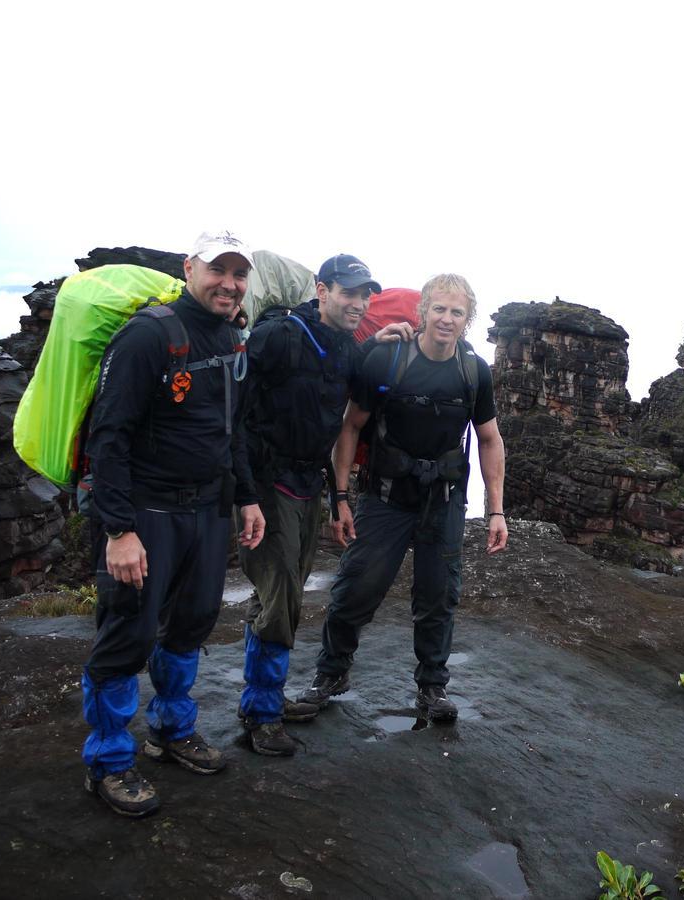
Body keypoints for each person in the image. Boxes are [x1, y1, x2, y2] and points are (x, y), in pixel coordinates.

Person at [81, 230, 266, 817]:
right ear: (190, 269)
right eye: (218, 270)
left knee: (191, 623)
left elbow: (232, 429)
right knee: (128, 635)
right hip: (146, 512)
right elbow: (107, 436)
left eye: (239, 274)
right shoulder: (148, 335)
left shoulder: (232, 337)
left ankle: (170, 729)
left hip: (207, 511)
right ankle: (108, 761)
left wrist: (247, 498)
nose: (229, 284)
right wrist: (118, 531)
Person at [300, 273, 507, 721]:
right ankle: (331, 673)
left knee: (438, 596)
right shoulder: (388, 359)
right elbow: (351, 426)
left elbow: (489, 439)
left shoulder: (473, 372)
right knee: (357, 587)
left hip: (444, 501)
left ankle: (432, 687)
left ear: (467, 320)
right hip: (386, 497)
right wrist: (340, 496)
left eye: (457, 312)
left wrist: (496, 510)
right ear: (423, 311)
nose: (446, 319)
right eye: (439, 309)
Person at [236, 254, 414, 756]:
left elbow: (348, 415)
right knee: (282, 597)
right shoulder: (280, 335)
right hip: (266, 485)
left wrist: (338, 498)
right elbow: (236, 410)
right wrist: (244, 493)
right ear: (321, 290)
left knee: (280, 593)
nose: (358, 303)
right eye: (347, 292)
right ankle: (262, 715)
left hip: (304, 486)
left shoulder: (347, 349)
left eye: (364, 295)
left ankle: (262, 699)